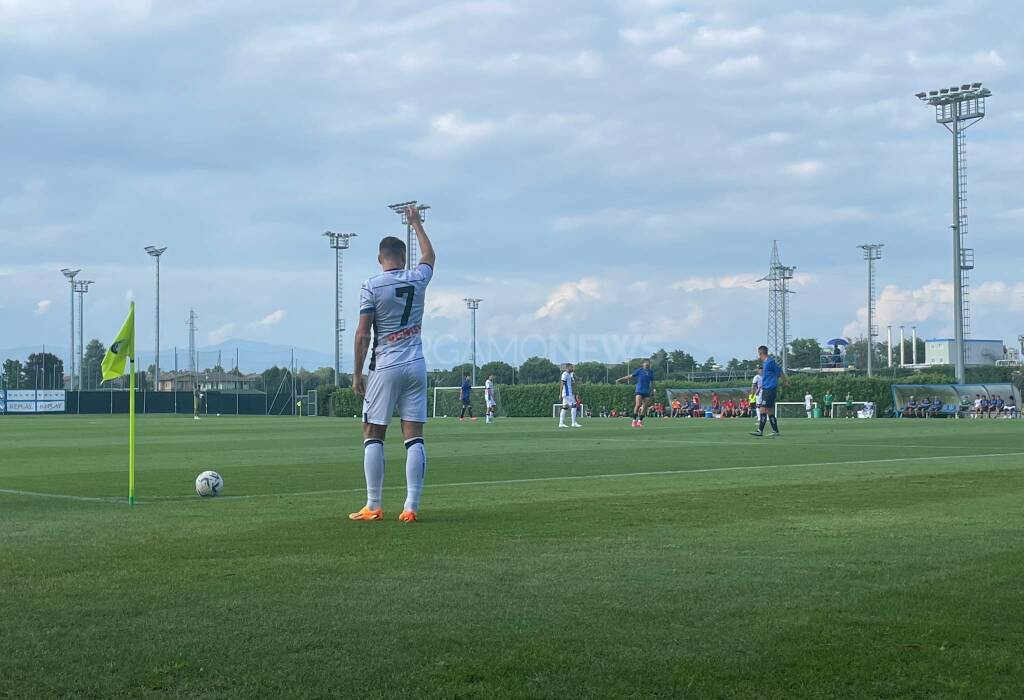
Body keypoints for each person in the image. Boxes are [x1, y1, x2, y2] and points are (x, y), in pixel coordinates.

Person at [349, 204, 435, 524]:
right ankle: (411, 507)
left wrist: (357, 374)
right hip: (416, 364)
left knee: (373, 433)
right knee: (413, 436)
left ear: (379, 258)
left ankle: (373, 505)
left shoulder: (371, 286)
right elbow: (430, 258)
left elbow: (362, 334)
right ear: (403, 257)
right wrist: (415, 224)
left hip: (385, 366)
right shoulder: (417, 278)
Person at [751, 345, 788, 437]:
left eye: (758, 354)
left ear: (761, 353)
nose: (758, 356)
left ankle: (760, 430)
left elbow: (780, 371)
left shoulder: (769, 362)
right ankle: (775, 431)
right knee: (770, 411)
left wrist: (785, 382)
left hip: (769, 389)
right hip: (767, 389)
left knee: (762, 409)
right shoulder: (766, 362)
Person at [617, 359, 655, 428]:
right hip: (639, 390)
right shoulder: (639, 370)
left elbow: (652, 382)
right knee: (638, 405)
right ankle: (634, 421)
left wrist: (653, 390)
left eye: (648, 363)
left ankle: (640, 421)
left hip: (646, 391)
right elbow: (630, 376)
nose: (647, 364)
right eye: (646, 363)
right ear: (643, 364)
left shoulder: (651, 372)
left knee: (645, 406)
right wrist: (620, 379)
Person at [558, 363, 581, 428]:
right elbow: (562, 384)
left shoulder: (568, 375)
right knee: (574, 405)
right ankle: (573, 423)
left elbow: (570, 384)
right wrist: (560, 394)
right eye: (571, 367)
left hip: (566, 393)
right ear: (567, 368)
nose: (572, 368)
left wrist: (576, 382)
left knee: (565, 407)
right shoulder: (565, 374)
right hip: (567, 393)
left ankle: (561, 423)